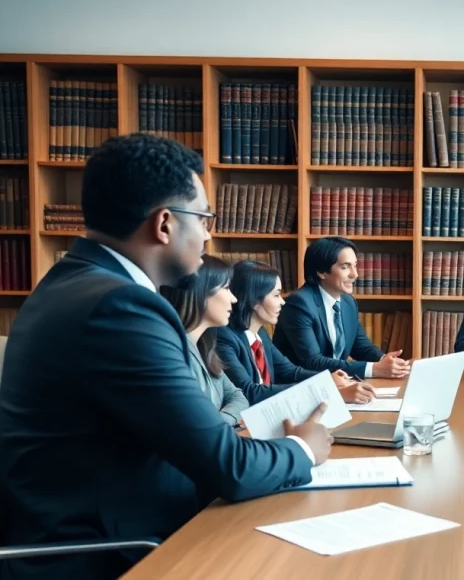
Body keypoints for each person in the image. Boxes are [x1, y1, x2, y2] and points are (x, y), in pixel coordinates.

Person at [0, 134, 332, 580]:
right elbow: (228, 467)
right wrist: (303, 448)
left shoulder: (68, 283)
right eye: (204, 218)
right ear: (164, 224)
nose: (209, 233)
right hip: (113, 554)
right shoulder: (122, 307)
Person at [216, 260, 375, 405]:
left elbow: (289, 371)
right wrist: (328, 392)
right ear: (253, 299)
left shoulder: (260, 333)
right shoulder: (224, 337)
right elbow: (249, 392)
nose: (282, 301)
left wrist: (328, 381)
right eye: (276, 295)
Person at [274, 236, 410, 380]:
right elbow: (312, 361)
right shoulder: (299, 304)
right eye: (345, 267)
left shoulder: (347, 302)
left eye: (355, 265)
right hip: (298, 388)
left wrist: (385, 360)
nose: (354, 274)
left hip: (336, 384)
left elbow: (361, 347)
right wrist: (374, 369)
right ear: (321, 272)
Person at [160, 254, 250, 426]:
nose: (234, 299)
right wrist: (219, 425)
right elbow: (195, 423)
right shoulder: (176, 351)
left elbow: (237, 396)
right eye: (226, 288)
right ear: (199, 292)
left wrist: (221, 421)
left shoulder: (204, 344)